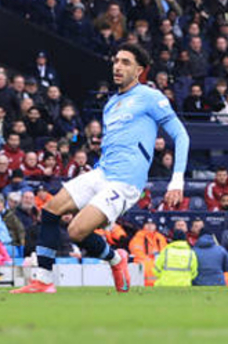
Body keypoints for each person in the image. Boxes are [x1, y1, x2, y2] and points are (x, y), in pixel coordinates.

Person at [13, 44, 189, 294]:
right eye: (116, 61)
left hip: (125, 182)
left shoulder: (150, 97)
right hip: (102, 172)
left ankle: (116, 260)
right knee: (50, 211)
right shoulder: (111, 104)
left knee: (76, 231)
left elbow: (181, 136)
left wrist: (177, 181)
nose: (118, 66)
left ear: (139, 70)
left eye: (126, 62)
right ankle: (43, 280)